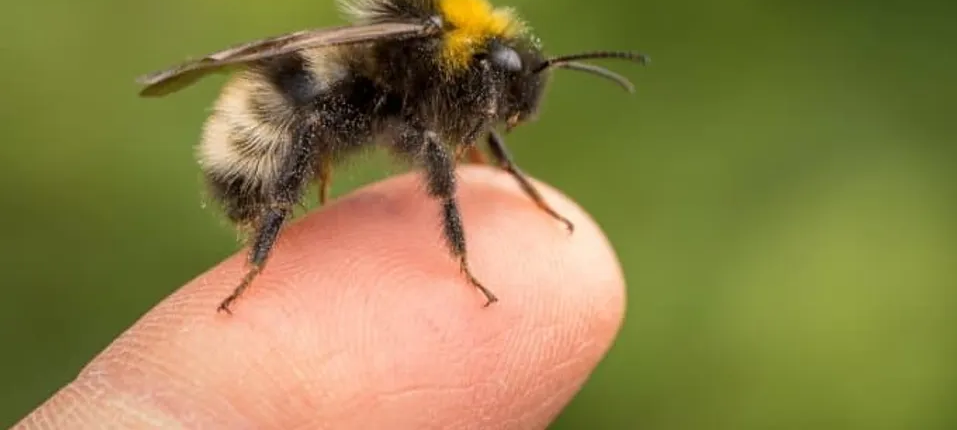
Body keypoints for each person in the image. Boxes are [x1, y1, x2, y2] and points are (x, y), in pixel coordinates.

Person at [15, 167, 625, 429]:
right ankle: (260, 264)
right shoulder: (427, 59)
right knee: (315, 119)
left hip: (290, 111)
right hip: (276, 130)